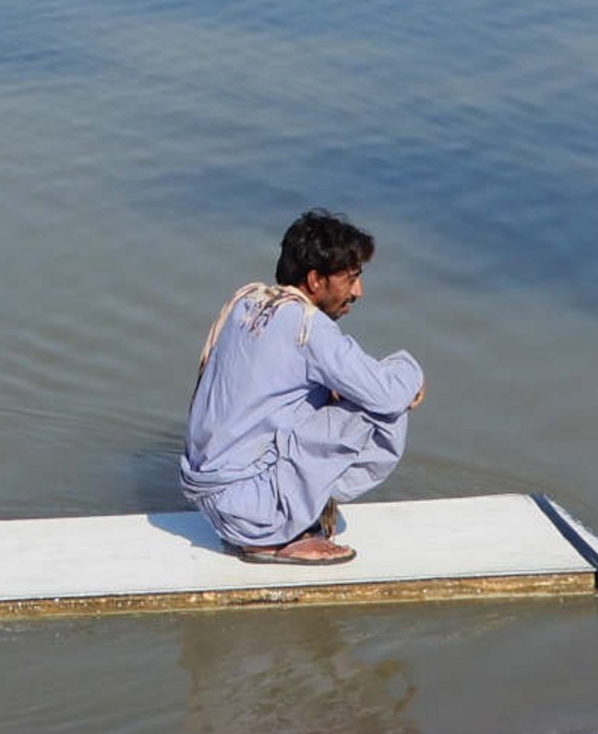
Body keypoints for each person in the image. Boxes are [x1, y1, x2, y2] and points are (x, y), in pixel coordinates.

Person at [180, 209, 425, 565]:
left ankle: (291, 515)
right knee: (386, 407)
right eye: (351, 278)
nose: (358, 291)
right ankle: (281, 534)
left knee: (349, 392)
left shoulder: (247, 301)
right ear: (315, 281)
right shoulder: (308, 327)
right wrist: (411, 370)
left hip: (214, 503)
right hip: (253, 514)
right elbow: (387, 394)